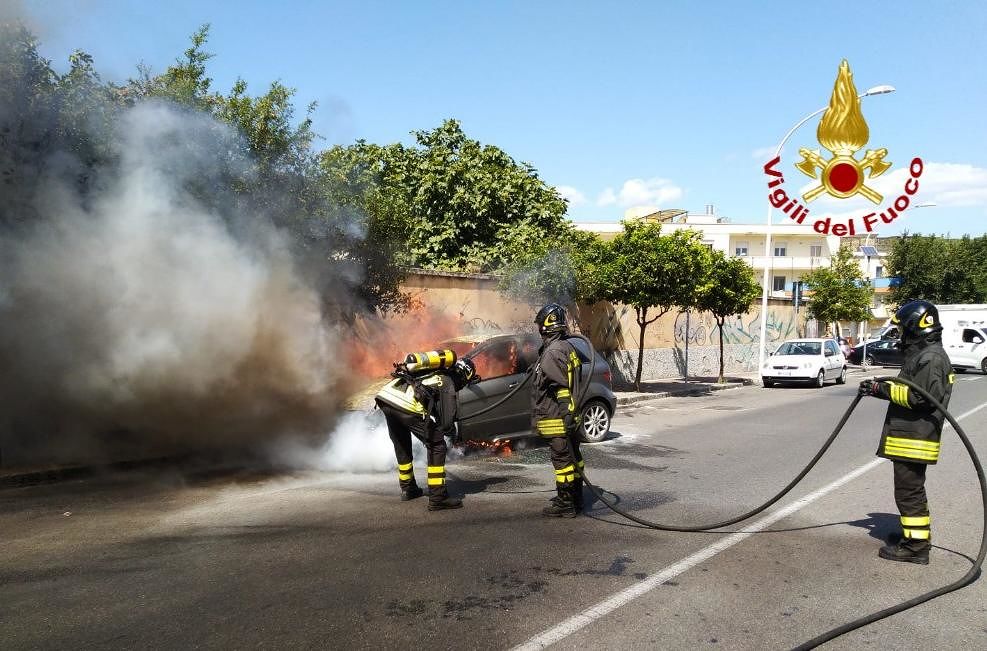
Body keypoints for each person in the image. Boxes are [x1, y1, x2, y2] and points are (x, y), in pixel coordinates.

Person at [858, 300, 954, 564]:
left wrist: (881, 390)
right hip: (911, 436)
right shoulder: (926, 355)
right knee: (910, 492)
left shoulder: (932, 358)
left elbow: (920, 397)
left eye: (903, 329)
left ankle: (916, 548)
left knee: (909, 493)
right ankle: (913, 538)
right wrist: (883, 383)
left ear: (914, 326)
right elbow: (914, 387)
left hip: (914, 438)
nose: (900, 335)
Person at [375, 351, 477, 511]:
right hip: (404, 405)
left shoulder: (433, 372)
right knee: (437, 445)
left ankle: (408, 489)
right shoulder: (448, 380)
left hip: (386, 398)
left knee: (402, 443)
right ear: (464, 376)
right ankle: (438, 497)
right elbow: (446, 422)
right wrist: (449, 431)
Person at [531, 303, 585, 517]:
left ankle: (565, 504)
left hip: (557, 418)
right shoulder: (566, 347)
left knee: (562, 463)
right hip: (569, 416)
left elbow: (560, 388)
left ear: (546, 326)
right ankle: (576, 498)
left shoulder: (553, 352)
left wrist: (566, 413)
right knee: (574, 459)